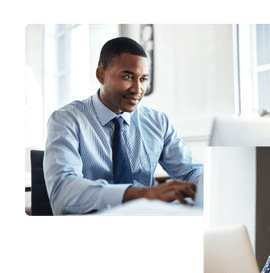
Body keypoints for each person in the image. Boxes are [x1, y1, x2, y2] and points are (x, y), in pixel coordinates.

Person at [44, 37, 203, 215]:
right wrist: (143, 194)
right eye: (127, 76)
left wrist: (209, 183)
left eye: (143, 79)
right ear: (101, 75)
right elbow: (63, 191)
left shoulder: (157, 122)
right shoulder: (67, 120)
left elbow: (191, 172)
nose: (137, 89)